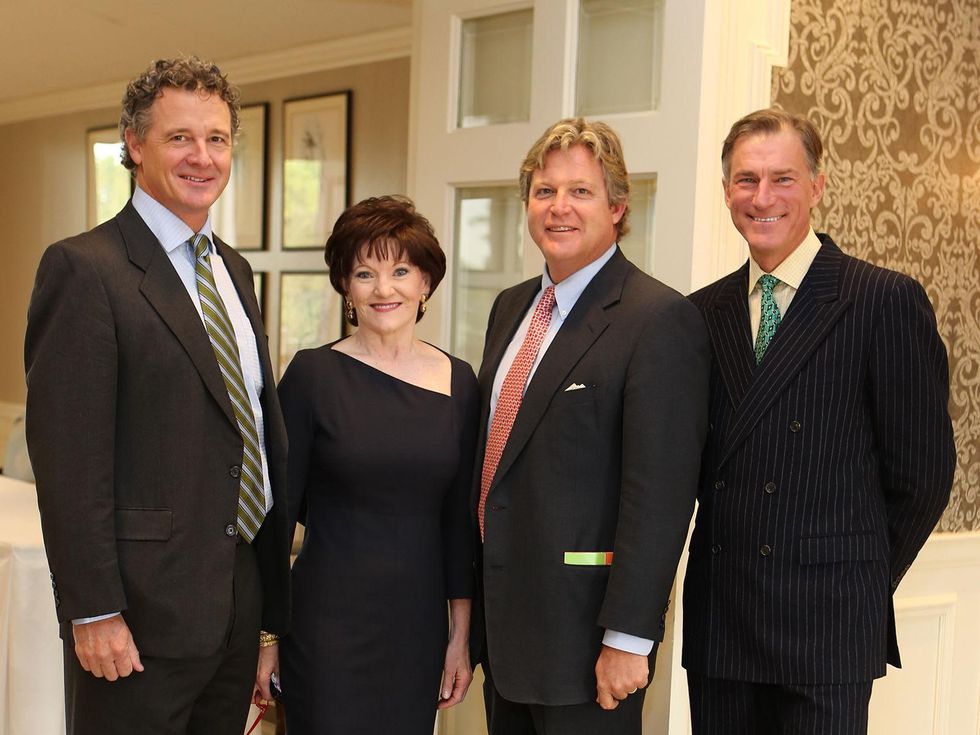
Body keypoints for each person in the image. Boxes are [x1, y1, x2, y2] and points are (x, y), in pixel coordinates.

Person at [24, 56, 290, 735]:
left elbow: (246, 432)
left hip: (233, 607)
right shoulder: (85, 269)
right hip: (136, 620)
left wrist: (264, 618)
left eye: (217, 138)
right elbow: (69, 461)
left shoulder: (234, 271)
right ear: (135, 144)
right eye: (180, 138)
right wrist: (93, 609)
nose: (202, 157)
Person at [682, 107, 956, 734]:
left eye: (782, 178)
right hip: (723, 624)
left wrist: (850, 576)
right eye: (747, 180)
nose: (763, 197)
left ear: (817, 186)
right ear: (726, 192)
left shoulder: (882, 299)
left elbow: (923, 477)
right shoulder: (700, 313)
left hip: (827, 628)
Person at [472, 118, 710, 734]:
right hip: (505, 632)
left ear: (617, 207)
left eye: (580, 191)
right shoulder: (510, 307)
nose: (559, 207)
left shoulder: (658, 319)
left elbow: (659, 496)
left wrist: (629, 637)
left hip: (587, 640)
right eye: (544, 191)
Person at [274, 195, 477, 734]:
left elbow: (459, 526)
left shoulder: (460, 382)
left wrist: (460, 637)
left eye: (401, 271)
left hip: (417, 629)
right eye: (365, 273)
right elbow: (275, 519)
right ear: (346, 286)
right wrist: (265, 638)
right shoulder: (312, 376)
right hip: (325, 628)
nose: (384, 289)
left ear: (426, 281)